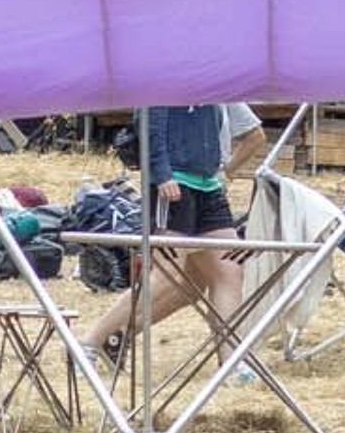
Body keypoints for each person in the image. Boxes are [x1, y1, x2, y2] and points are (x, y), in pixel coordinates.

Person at [79, 104, 269, 370]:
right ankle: (90, 341)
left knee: (229, 270)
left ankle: (232, 361)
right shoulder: (166, 77)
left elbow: (250, 134)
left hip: (208, 184)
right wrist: (162, 174)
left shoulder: (213, 81)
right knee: (167, 276)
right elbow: (150, 125)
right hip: (174, 185)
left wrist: (223, 170)